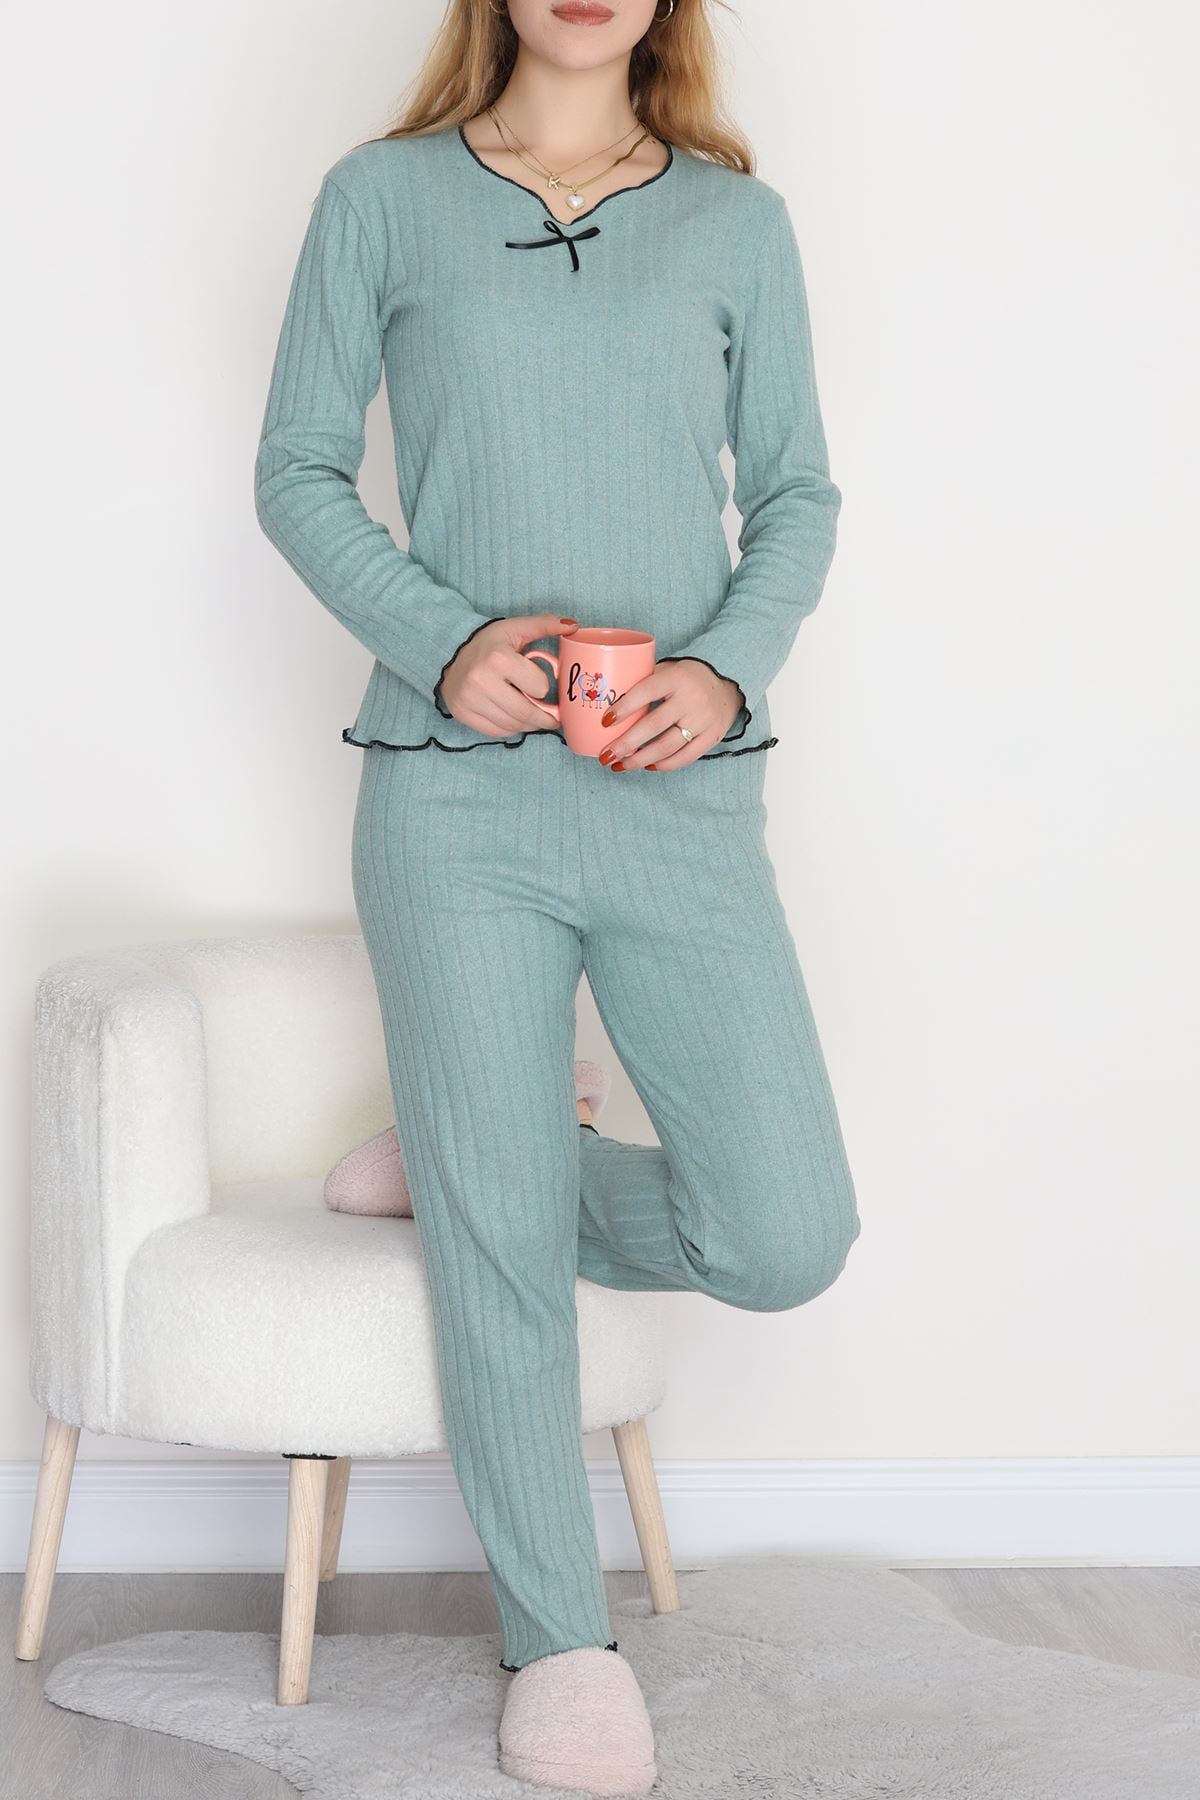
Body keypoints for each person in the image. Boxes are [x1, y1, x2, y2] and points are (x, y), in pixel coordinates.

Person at [253, 1, 861, 1791]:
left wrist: (727, 672)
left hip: (679, 798)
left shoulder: (738, 222)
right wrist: (440, 643)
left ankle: (475, 1153)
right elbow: (295, 469)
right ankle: (559, 1638)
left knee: (786, 1231)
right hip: (453, 801)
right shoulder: (381, 198)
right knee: (499, 1252)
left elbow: (799, 494)